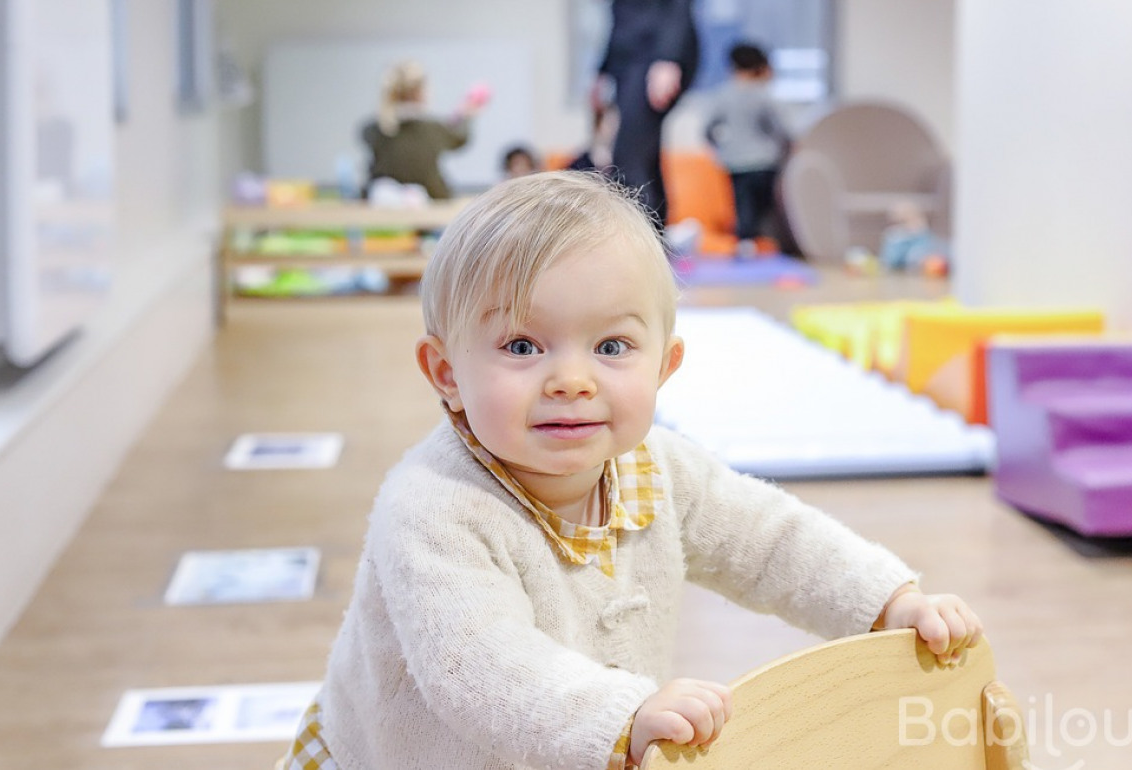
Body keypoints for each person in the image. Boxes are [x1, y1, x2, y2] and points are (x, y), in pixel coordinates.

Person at [279, 171, 983, 770]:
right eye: (522, 346)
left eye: (612, 346)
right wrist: (624, 713)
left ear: (664, 366)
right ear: (446, 373)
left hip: (578, 740)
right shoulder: (432, 508)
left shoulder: (659, 468)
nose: (572, 380)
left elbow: (773, 541)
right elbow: (481, 670)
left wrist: (885, 602)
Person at [596, 0, 699, 228]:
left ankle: (638, 236)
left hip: (653, 55)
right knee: (643, 155)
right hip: (630, 61)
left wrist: (668, 57)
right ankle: (657, 236)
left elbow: (677, 6)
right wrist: (603, 71)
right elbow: (622, 21)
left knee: (629, 156)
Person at [704, 43, 792, 256]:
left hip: (736, 162)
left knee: (743, 207)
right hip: (765, 161)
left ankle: (746, 245)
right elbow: (783, 130)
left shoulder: (724, 94)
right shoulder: (764, 94)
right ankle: (771, 245)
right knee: (768, 208)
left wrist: (721, 148)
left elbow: (707, 129)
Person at [360, 60, 485, 200]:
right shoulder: (434, 129)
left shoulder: (372, 129)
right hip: (432, 195)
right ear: (421, 92)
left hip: (378, 198)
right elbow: (460, 138)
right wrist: (466, 116)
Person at [567, 103, 621, 177]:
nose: (613, 130)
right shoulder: (580, 164)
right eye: (609, 124)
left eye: (615, 124)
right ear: (597, 124)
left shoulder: (620, 163)